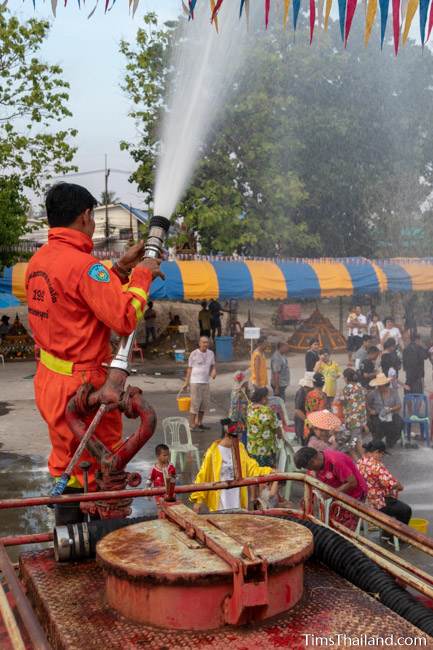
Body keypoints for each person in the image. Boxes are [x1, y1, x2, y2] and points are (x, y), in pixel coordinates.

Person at [25, 182, 162, 525]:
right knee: (103, 469)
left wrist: (118, 270)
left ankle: (66, 540)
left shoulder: (39, 261)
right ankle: (93, 549)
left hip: (50, 379)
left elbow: (78, 302)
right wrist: (142, 275)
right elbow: (125, 318)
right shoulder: (86, 267)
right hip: (83, 385)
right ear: (86, 216)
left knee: (66, 460)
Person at [191, 419, 276, 512]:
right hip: (221, 498)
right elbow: (202, 476)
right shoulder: (213, 452)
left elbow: (251, 467)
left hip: (237, 496)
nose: (238, 439)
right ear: (227, 435)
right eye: (236, 437)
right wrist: (198, 501)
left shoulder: (240, 448)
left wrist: (269, 471)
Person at [294, 446, 367, 530]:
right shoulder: (315, 466)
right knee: (331, 523)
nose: (309, 470)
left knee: (343, 529)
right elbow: (314, 483)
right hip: (337, 492)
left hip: (355, 492)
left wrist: (329, 494)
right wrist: (309, 496)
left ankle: (345, 540)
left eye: (308, 467)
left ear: (313, 461)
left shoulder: (335, 461)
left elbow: (352, 483)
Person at [358, 441, 412, 533]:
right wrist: (399, 486)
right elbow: (392, 484)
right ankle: (394, 537)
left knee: (397, 506)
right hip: (378, 504)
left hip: (365, 500)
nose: (381, 457)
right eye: (381, 454)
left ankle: (387, 532)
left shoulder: (361, 462)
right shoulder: (377, 466)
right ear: (377, 452)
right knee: (406, 510)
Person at [184, 336, 216, 432]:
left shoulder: (211, 353)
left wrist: (214, 371)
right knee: (195, 404)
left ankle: (199, 423)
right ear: (199, 343)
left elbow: (213, 365)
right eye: (203, 342)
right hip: (195, 382)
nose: (206, 344)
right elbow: (189, 369)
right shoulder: (194, 354)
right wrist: (186, 382)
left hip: (205, 382)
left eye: (207, 342)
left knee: (204, 404)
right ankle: (192, 425)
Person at [247, 387, 281, 467]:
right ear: (263, 398)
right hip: (265, 449)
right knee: (267, 473)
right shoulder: (267, 410)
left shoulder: (250, 407)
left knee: (256, 470)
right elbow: (277, 428)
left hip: (252, 447)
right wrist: (280, 435)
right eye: (267, 397)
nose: (268, 399)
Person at [367, 373, 403, 448]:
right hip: (377, 415)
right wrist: (371, 411)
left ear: (386, 385)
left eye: (381, 386)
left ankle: (391, 440)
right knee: (376, 424)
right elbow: (367, 404)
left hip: (391, 414)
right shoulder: (373, 393)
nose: (379, 387)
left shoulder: (393, 392)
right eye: (378, 386)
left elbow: (399, 405)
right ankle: (377, 440)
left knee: (399, 422)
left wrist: (390, 409)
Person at [341, 368, 368, 441]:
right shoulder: (361, 387)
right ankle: (356, 450)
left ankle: (358, 451)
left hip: (352, 418)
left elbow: (344, 402)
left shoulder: (347, 388)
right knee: (357, 437)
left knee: (355, 439)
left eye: (344, 377)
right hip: (361, 417)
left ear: (346, 378)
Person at [228, 370, 250, 445]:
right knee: (244, 429)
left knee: (233, 429)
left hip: (235, 416)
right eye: (246, 382)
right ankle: (242, 444)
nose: (248, 383)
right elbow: (247, 402)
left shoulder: (235, 390)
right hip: (240, 415)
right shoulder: (241, 392)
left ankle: (234, 444)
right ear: (243, 383)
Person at [304, 372, 327, 438]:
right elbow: (321, 412)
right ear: (323, 384)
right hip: (318, 427)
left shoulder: (309, 394)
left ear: (313, 383)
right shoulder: (322, 396)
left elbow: (307, 409)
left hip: (308, 423)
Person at [294, 373, 314, 445]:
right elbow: (297, 410)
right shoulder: (301, 393)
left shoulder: (311, 392)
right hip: (302, 422)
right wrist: (307, 421)